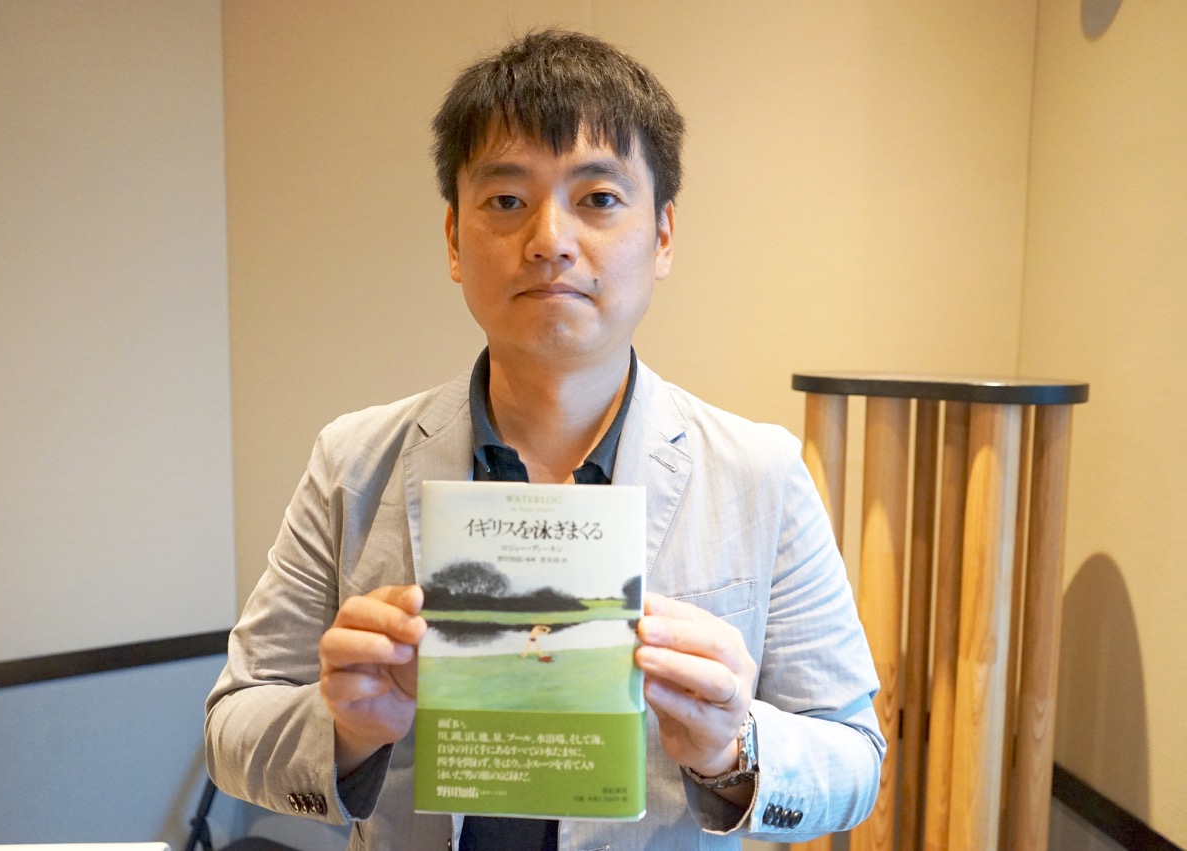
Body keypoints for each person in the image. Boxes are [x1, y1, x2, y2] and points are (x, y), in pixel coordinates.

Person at [206, 29, 884, 850]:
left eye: (598, 198)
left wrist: (732, 747)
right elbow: (231, 724)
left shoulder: (758, 473)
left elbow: (856, 756)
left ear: (663, 236)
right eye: (505, 200)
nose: (549, 239)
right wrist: (345, 728)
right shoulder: (353, 462)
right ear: (454, 239)